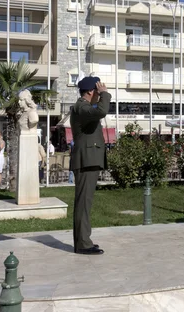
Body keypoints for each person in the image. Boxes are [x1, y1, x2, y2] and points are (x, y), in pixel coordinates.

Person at [70, 77, 111, 255]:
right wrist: (105, 94)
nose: (99, 93)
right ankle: (82, 244)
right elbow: (102, 111)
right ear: (90, 92)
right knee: (83, 203)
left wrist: (100, 94)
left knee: (85, 203)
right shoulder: (81, 107)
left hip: (89, 160)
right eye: (97, 90)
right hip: (86, 161)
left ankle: (84, 240)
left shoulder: (85, 107)